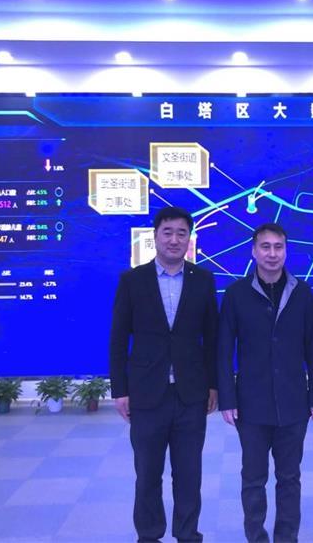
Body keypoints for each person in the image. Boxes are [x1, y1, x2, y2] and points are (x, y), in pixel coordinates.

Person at [109, 206, 219, 543]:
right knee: (147, 475)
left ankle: (187, 535)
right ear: (155, 237)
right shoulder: (132, 280)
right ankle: (149, 535)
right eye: (167, 232)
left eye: (181, 233)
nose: (174, 239)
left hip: (190, 394)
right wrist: (120, 390)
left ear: (189, 239)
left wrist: (214, 385)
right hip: (146, 394)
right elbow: (118, 338)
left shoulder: (203, 280)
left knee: (189, 475)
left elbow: (212, 338)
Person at [217, 222, 313, 543]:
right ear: (254, 251)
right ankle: (256, 537)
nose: (272, 253)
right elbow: (224, 351)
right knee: (253, 479)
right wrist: (227, 398)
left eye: (278, 247)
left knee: (289, 478)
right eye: (265, 247)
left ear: (286, 251)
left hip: (294, 402)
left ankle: (286, 538)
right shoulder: (236, 294)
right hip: (251, 404)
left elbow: (312, 346)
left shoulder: (302, 293)